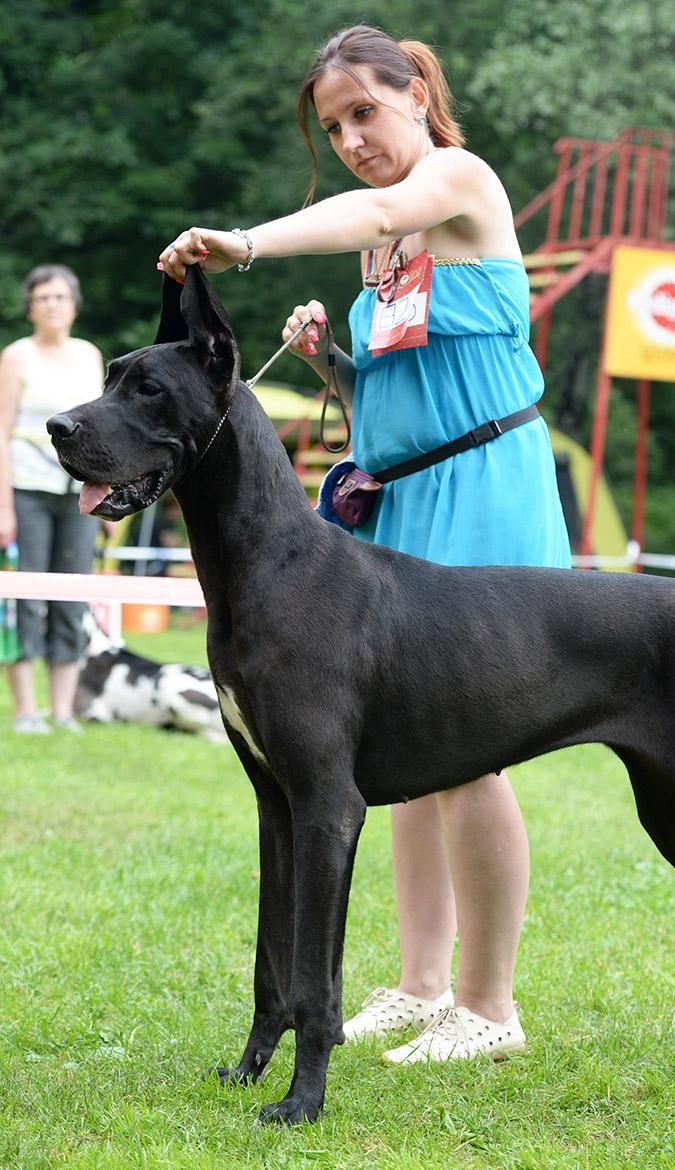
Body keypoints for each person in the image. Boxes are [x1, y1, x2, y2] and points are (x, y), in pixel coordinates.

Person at [158, 24, 570, 1063]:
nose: (350, 140)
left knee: (472, 761)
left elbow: (384, 210)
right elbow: (403, 385)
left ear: (416, 94)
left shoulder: (455, 181)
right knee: (406, 755)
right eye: (334, 127)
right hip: (403, 497)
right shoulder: (379, 247)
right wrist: (331, 363)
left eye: (363, 113)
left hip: (487, 484)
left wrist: (243, 243)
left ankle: (489, 1006)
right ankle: (420, 986)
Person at [0, 265, 105, 732]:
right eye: (42, 298)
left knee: (72, 595)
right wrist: (3, 506)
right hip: (26, 489)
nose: (51, 305)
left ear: (74, 305)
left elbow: (102, 433)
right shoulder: (15, 357)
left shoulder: (89, 355)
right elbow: (1, 432)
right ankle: (26, 710)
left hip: (77, 492)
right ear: (30, 308)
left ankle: (62, 710)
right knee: (25, 597)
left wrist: (108, 497)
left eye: (60, 297)